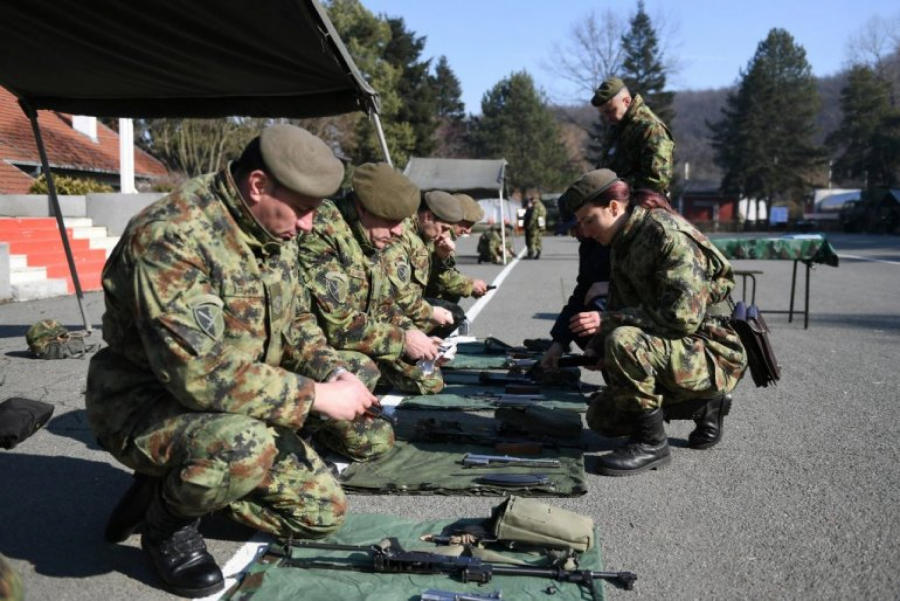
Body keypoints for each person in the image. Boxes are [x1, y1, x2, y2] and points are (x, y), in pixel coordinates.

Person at [86, 125, 391, 597]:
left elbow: (295, 323)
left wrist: (330, 370)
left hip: (229, 401)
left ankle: (178, 482)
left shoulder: (271, 228)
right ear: (257, 184)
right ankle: (166, 526)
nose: (309, 226)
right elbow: (198, 375)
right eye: (304, 211)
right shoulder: (173, 235)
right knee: (240, 445)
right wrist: (315, 397)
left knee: (321, 514)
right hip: (145, 404)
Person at [565, 168, 746, 477]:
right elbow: (622, 305)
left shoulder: (665, 234)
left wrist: (606, 323)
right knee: (602, 419)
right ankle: (702, 405)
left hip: (711, 350)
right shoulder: (622, 240)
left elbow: (681, 317)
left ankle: (651, 444)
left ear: (613, 208)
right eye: (580, 223)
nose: (585, 230)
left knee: (623, 341)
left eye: (589, 219)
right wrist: (596, 349)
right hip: (675, 345)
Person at [297, 163, 445, 395]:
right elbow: (338, 327)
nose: (399, 231)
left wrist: (419, 338)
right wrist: (402, 341)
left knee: (429, 379)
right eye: (392, 221)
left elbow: (384, 306)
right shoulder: (323, 233)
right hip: (319, 344)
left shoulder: (371, 236)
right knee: (362, 370)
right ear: (362, 208)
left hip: (362, 334)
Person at [380, 189, 466, 340]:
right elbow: (398, 295)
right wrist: (430, 313)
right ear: (427, 216)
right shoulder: (403, 235)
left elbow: (439, 281)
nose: (445, 235)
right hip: (390, 309)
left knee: (453, 312)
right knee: (450, 315)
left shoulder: (426, 234)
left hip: (410, 303)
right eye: (444, 228)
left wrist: (443, 256)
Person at [539, 195, 612, 368]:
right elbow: (581, 294)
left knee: (597, 303)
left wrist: (609, 290)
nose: (577, 234)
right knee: (579, 323)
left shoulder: (621, 243)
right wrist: (559, 343)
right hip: (613, 319)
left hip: (642, 328)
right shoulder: (589, 246)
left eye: (578, 225)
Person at [592, 76, 675, 195]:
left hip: (641, 204)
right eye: (603, 114)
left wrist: (615, 188)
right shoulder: (617, 128)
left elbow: (657, 179)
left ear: (626, 101)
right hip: (615, 200)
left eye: (610, 111)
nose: (607, 117)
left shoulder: (651, 128)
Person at [425, 193, 490, 304]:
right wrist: (470, 285)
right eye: (467, 224)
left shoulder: (444, 236)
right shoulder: (436, 235)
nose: (469, 231)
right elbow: (442, 276)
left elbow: (445, 271)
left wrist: (470, 284)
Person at [523, 194, 547, 259]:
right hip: (541, 225)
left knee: (532, 239)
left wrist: (529, 225)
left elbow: (534, 216)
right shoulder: (542, 206)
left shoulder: (536, 206)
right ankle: (538, 252)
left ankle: (531, 253)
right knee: (538, 239)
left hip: (535, 226)